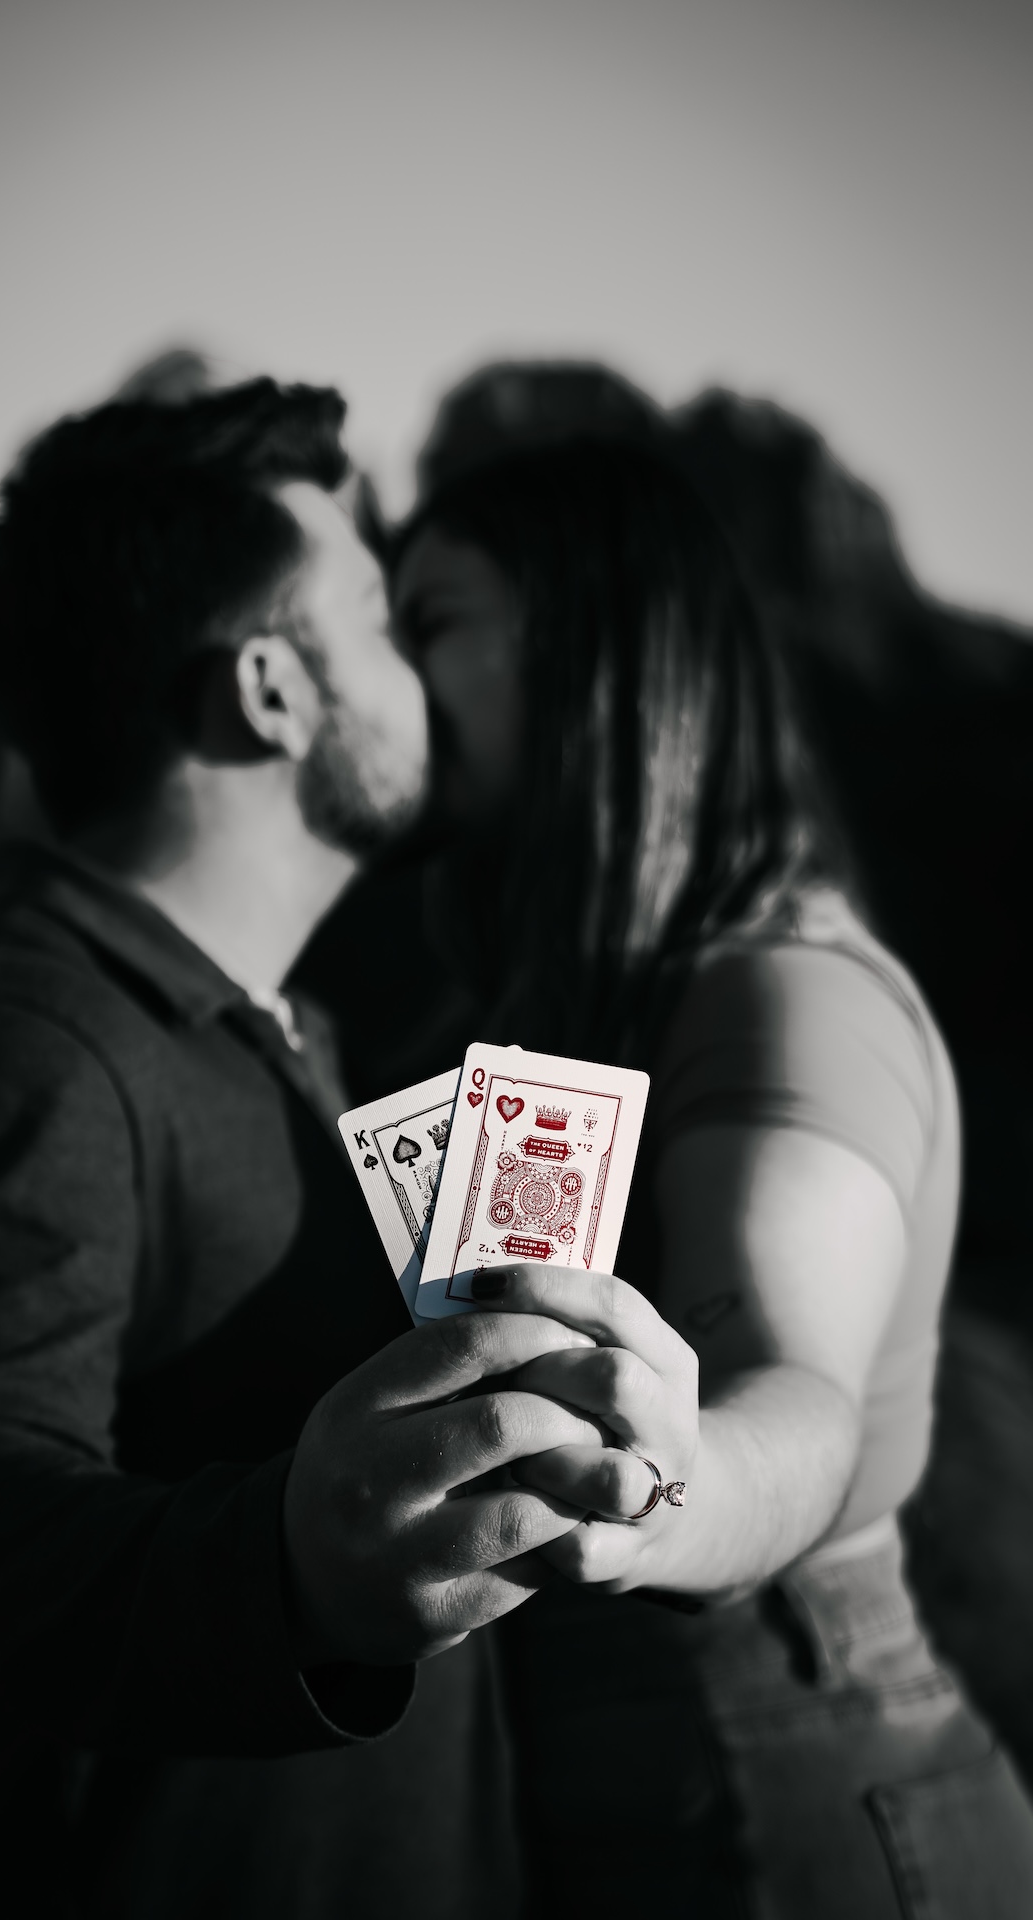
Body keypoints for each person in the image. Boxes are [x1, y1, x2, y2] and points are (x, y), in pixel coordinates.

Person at [0, 380, 698, 1918]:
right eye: (378, 613)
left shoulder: (288, 1038)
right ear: (274, 692)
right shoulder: (26, 1028)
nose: (421, 670)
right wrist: (287, 1568)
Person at [390, 435, 1033, 1917]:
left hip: (784, 1776)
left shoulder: (779, 993)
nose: (396, 680)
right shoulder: (560, 1009)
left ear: (595, 640)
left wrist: (660, 1496)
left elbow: (788, 1395)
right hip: (653, 1782)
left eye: (432, 622)